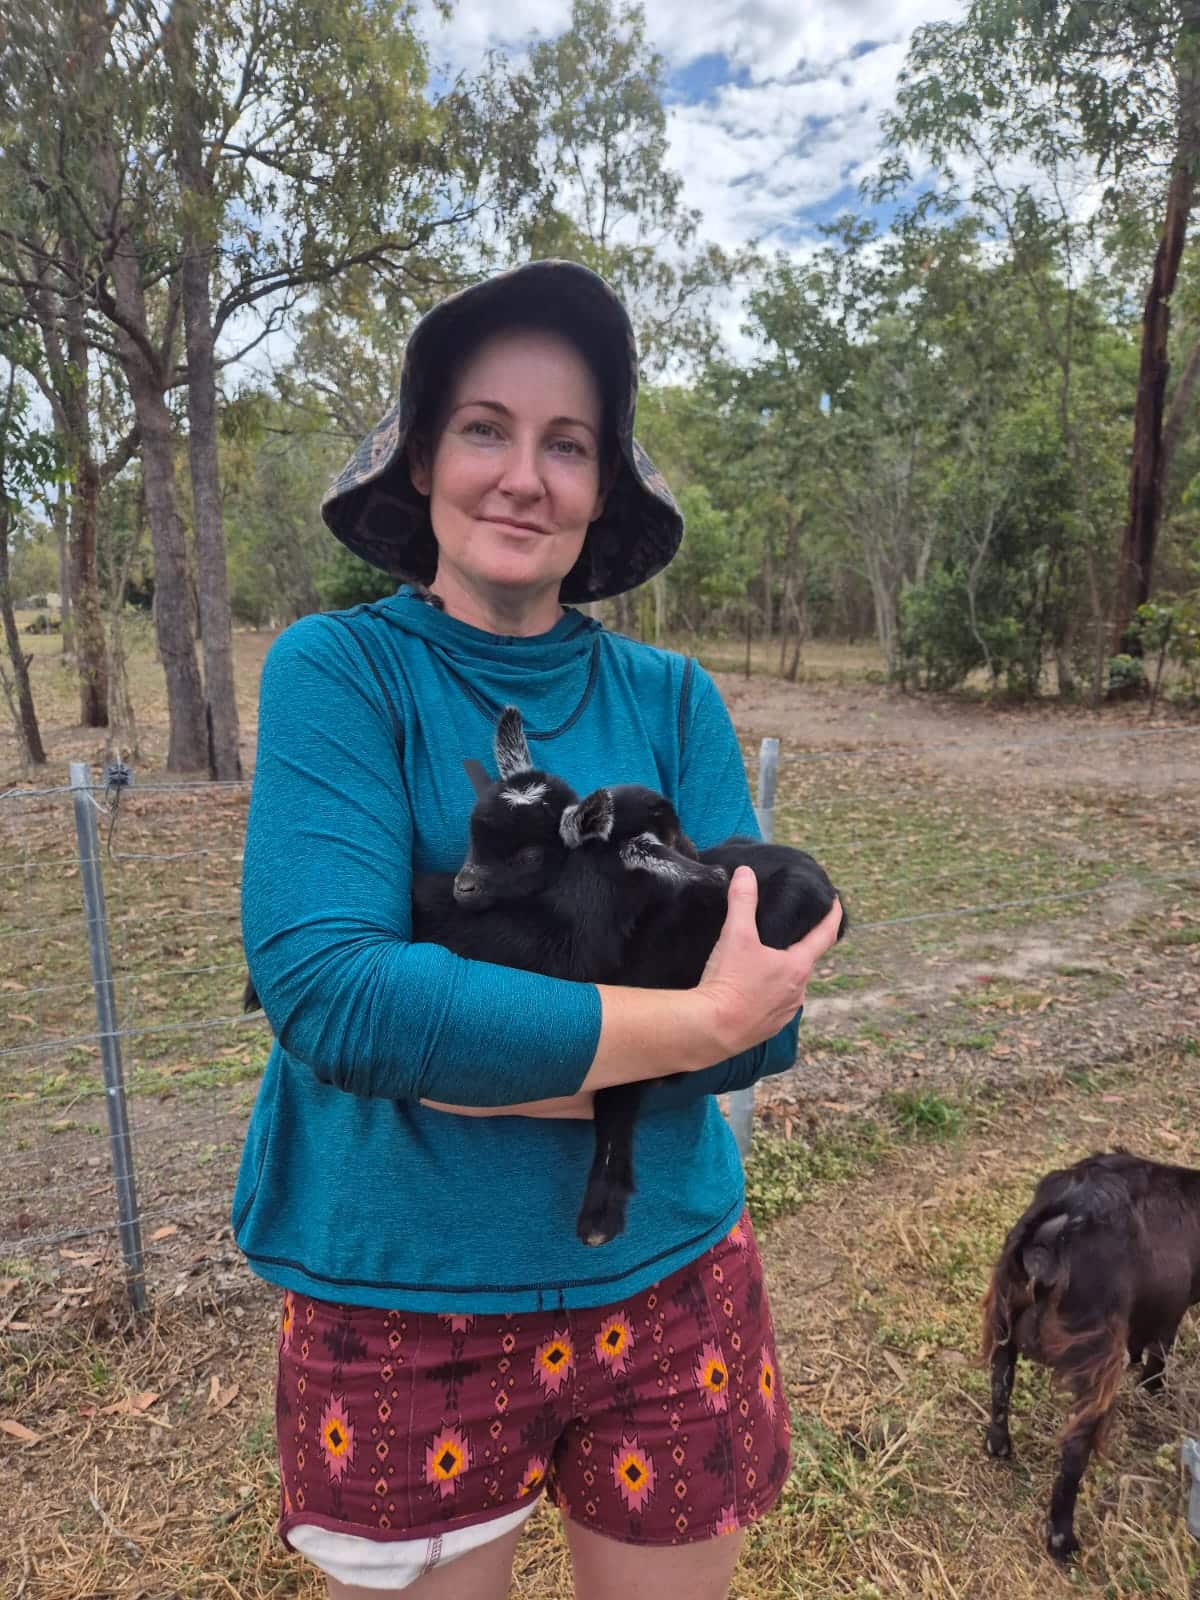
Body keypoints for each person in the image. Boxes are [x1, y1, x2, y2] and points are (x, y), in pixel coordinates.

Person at [235, 259, 843, 1600]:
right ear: (420, 464)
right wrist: (684, 1024)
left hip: (670, 1275)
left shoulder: (673, 699)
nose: (526, 476)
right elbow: (336, 999)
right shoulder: (339, 673)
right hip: (403, 1298)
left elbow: (769, 1018)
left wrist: (483, 1058)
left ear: (603, 488)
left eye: (567, 444)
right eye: (484, 429)